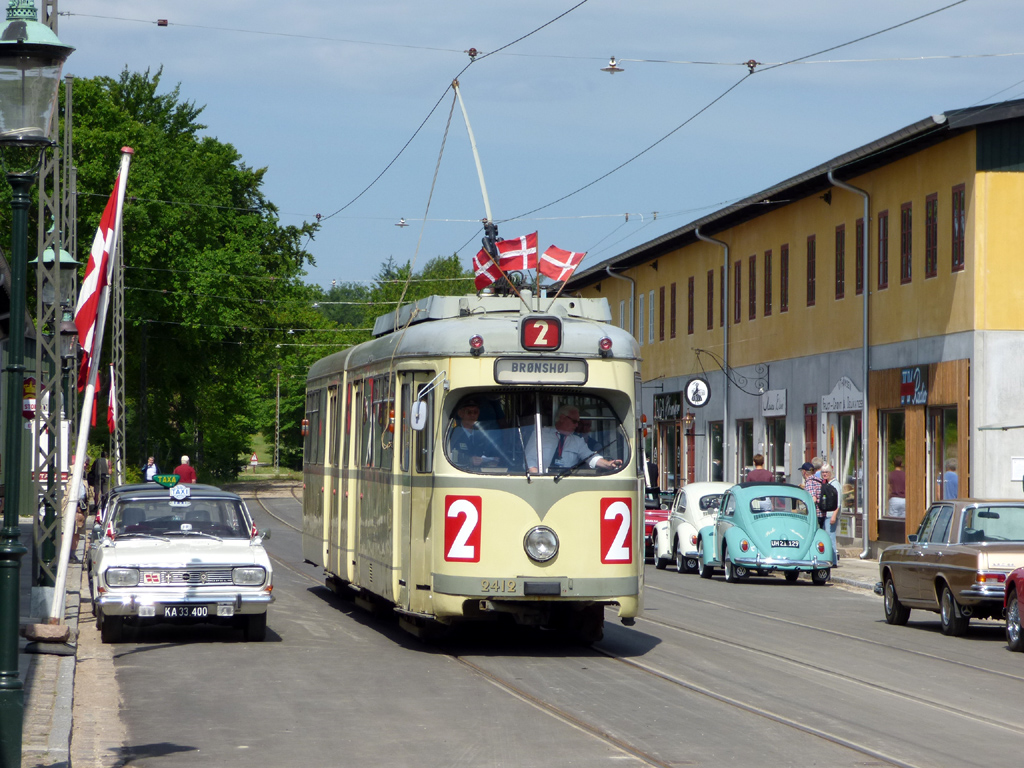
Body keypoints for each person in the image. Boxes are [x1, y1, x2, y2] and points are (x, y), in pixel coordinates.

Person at [525, 405, 623, 474]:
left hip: (567, 483)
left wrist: (608, 464)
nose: (577, 425)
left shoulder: (577, 440)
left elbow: (590, 457)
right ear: (562, 418)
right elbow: (529, 460)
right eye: (574, 421)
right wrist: (538, 478)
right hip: (543, 480)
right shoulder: (541, 434)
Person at [448, 397, 499, 469]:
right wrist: (469, 460)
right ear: (460, 413)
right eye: (469, 412)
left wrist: (493, 460)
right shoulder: (453, 434)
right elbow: (448, 455)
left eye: (475, 412)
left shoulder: (483, 435)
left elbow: (490, 453)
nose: (472, 415)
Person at [820, 463, 841, 565]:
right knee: (827, 537)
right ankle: (829, 559)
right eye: (823, 472)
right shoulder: (826, 483)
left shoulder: (835, 484)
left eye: (826, 472)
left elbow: (838, 503)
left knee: (830, 537)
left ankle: (833, 561)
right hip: (826, 514)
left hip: (831, 515)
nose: (824, 474)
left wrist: (834, 516)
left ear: (830, 472)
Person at [800, 461, 824, 527]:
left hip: (816, 514)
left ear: (804, 472)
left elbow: (813, 499)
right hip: (823, 513)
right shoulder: (819, 480)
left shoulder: (810, 482)